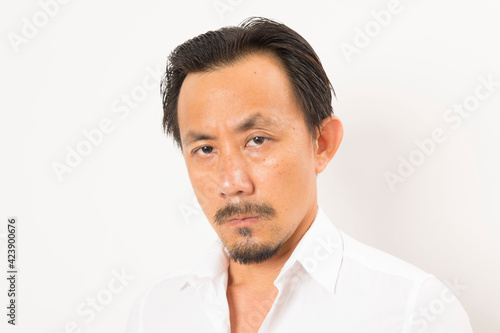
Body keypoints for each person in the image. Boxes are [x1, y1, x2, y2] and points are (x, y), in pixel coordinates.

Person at [126, 17, 472, 333]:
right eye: (205, 149)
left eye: (257, 140)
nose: (231, 183)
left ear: (321, 144)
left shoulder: (414, 310)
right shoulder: (155, 313)